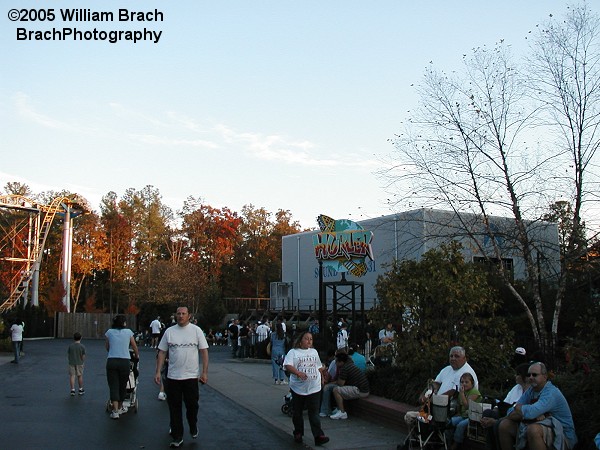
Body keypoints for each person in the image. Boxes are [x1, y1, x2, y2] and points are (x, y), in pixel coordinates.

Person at [154, 306, 209, 449]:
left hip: (191, 376)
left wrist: (204, 372)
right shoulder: (169, 332)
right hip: (173, 377)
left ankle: (193, 425)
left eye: (183, 314)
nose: (181, 316)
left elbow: (204, 352)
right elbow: (162, 352)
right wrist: (158, 371)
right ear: (175, 315)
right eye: (178, 314)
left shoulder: (196, 331)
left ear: (189, 316)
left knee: (192, 405)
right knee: (174, 408)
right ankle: (177, 436)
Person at [498, 362, 577, 450]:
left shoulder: (550, 392)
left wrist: (518, 408)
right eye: (529, 375)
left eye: (534, 375)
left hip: (562, 435)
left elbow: (531, 412)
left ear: (544, 377)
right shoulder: (531, 391)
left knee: (533, 430)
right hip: (539, 425)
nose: (531, 377)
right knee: (505, 425)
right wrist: (527, 413)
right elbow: (510, 412)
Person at [404, 346, 478, 427]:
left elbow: (453, 394)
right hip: (436, 407)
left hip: (449, 411)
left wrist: (431, 400)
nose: (453, 358)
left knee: (411, 416)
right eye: (451, 356)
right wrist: (426, 395)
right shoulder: (447, 369)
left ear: (464, 358)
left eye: (457, 356)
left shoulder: (466, 373)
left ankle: (423, 430)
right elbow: (435, 384)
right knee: (411, 415)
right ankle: (421, 431)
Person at [283, 331, 329, 446]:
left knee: (314, 412)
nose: (309, 341)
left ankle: (318, 435)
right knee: (297, 412)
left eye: (311, 339)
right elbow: (288, 365)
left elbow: (318, 366)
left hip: (314, 387)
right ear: (300, 341)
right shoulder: (293, 353)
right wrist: (297, 372)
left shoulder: (314, 352)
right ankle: (298, 432)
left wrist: (322, 377)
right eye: (306, 338)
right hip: (298, 388)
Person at [105, 314, 139, 420]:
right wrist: (136, 355)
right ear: (124, 323)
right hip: (124, 361)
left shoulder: (109, 332)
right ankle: (120, 407)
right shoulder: (128, 332)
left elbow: (107, 347)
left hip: (112, 360)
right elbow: (134, 346)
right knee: (123, 385)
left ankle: (115, 411)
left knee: (113, 385)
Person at [329, 352, 370, 420]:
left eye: (336, 361)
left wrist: (331, 383)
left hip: (361, 391)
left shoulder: (345, 368)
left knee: (336, 390)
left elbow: (340, 383)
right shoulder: (350, 365)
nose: (335, 363)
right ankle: (339, 408)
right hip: (363, 389)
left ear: (341, 362)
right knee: (340, 389)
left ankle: (342, 412)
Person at [448, 372, 481, 450]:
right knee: (450, 422)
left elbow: (467, 406)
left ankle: (456, 444)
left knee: (461, 425)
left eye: (466, 382)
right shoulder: (461, 393)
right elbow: (459, 406)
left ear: (472, 383)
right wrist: (458, 414)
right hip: (463, 415)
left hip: (473, 416)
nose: (464, 384)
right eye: (462, 382)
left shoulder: (474, 392)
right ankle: (447, 441)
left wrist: (462, 394)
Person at [67, 332, 86, 396]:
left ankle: (72, 390)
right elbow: (83, 356)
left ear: (73, 338)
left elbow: (69, 354)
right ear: (81, 338)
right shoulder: (82, 346)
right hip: (79, 363)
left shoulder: (70, 346)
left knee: (72, 376)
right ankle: (80, 389)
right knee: (80, 376)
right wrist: (82, 361)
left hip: (71, 362)